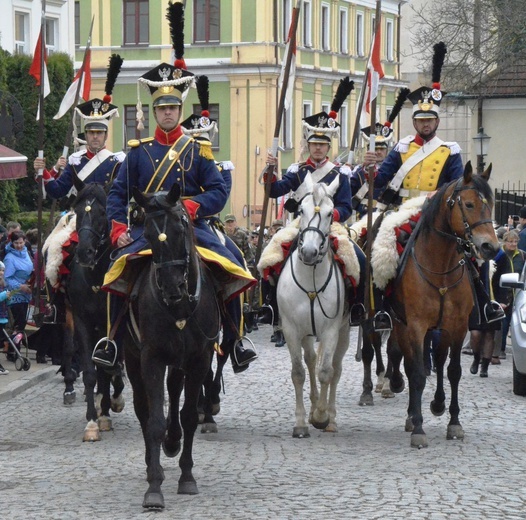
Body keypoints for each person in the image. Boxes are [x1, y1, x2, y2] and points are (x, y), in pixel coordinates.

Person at [93, 57, 257, 373]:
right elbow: (117, 194)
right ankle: (111, 342)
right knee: (117, 269)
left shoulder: (197, 150)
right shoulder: (138, 152)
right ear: (154, 112)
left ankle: (236, 340)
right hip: (147, 228)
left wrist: (192, 207)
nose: (167, 113)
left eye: (172, 108)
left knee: (232, 265)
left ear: (180, 112)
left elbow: (218, 191)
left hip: (192, 227)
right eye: (161, 108)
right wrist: (117, 228)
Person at [365, 42, 503, 329]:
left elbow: (457, 183)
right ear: (415, 121)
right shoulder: (401, 147)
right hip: (404, 210)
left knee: (476, 258)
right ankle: (380, 308)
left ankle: (486, 304)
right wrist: (369, 169)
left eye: (429, 119)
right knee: (382, 248)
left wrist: (439, 196)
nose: (425, 124)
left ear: (436, 121)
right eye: (420, 119)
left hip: (436, 208)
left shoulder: (449, 149)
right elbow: (380, 183)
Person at [262, 76, 366, 326]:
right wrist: (269, 170)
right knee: (269, 256)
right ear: (308, 145)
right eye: (314, 144)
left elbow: (346, 206)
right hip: (301, 223)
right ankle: (270, 307)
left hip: (330, 225)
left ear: (328, 146)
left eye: (322, 144)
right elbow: (275, 191)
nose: (318, 149)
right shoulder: (297, 170)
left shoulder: (339, 173)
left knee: (358, 259)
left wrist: (331, 217)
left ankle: (356, 307)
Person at [33, 55, 125, 201]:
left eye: (99, 133)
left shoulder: (117, 162)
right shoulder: (76, 162)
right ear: (86, 135)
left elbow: (122, 195)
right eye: (91, 132)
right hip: (82, 219)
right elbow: (58, 191)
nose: (95, 136)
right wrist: (42, 171)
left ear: (106, 135)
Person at [492, 229, 526, 363]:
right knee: (503, 323)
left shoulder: (522, 255)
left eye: (516, 242)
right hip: (502, 293)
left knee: (515, 321)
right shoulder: (500, 256)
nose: (513, 244)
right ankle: (500, 349)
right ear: (504, 242)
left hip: (517, 293)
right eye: (511, 242)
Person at [4, 230, 33, 361]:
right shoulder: (9, 258)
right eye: (16, 243)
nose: (19, 245)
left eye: (21, 242)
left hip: (26, 292)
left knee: (21, 323)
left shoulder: (25, 252)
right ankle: (13, 350)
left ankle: (14, 349)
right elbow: (7, 279)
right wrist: (20, 286)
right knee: (18, 323)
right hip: (15, 294)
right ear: (12, 242)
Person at [0, 262, 10, 374]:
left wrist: (8, 297)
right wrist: (3, 296)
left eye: (2, 270)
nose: (1, 273)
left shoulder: (3, 283)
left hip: (2, 316)